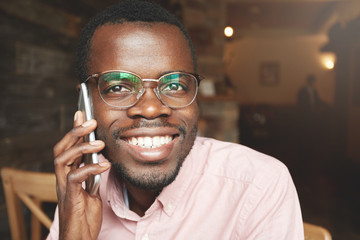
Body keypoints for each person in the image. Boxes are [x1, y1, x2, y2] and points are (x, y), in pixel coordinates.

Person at [47, 1, 304, 239]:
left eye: (174, 85)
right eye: (118, 87)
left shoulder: (258, 186)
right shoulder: (81, 186)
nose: (150, 109)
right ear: (85, 105)